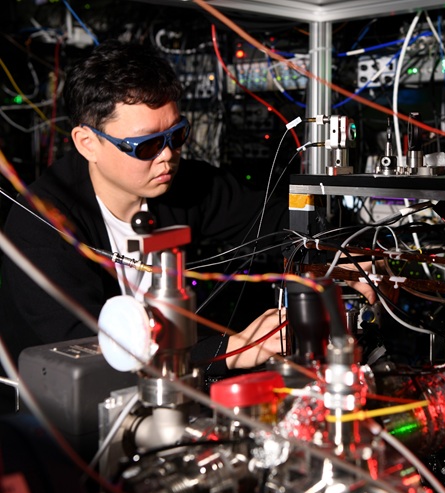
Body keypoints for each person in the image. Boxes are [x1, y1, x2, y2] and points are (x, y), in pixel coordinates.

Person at [0, 40, 292, 379]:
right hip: (59, 398)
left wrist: (331, 256)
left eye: (176, 135)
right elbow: (95, 352)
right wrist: (231, 350)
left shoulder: (177, 183)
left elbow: (277, 220)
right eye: (147, 145)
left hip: (167, 382)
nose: (167, 155)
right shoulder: (40, 225)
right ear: (87, 143)